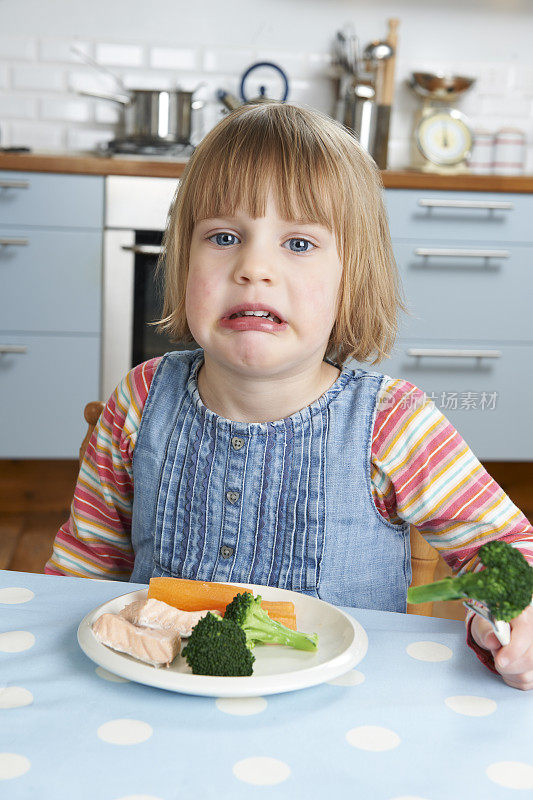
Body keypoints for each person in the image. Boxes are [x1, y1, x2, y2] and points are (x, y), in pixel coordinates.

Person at [46, 102, 532, 690]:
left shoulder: (393, 421)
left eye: (299, 243)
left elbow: (506, 552)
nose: (254, 267)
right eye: (224, 237)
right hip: (158, 706)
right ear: (182, 258)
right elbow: (81, 572)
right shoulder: (140, 399)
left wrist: (517, 611)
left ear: (351, 278)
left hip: (343, 719)